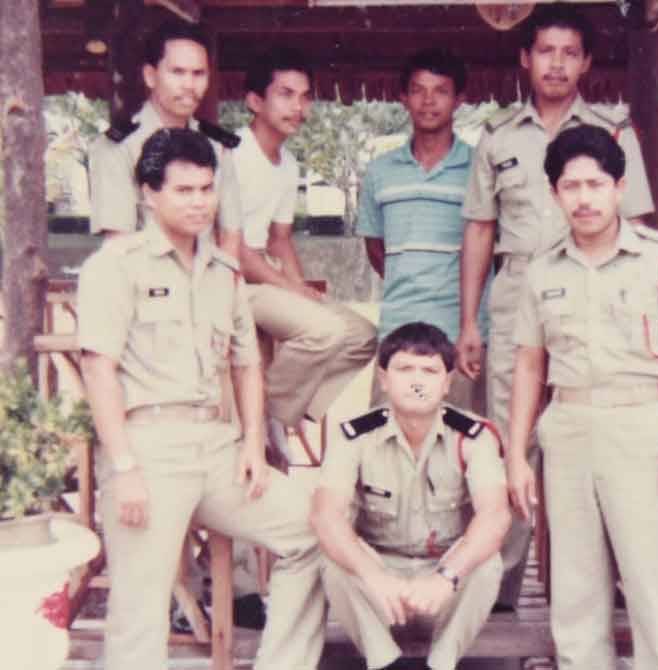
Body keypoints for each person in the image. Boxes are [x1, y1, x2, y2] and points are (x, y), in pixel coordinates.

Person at [77, 128, 325, 670]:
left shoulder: (223, 270)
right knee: (138, 614)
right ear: (149, 194)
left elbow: (245, 363)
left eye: (207, 190)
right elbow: (99, 371)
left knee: (315, 529)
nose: (199, 203)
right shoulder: (116, 266)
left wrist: (254, 447)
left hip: (217, 448)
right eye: (184, 191)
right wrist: (123, 469)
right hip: (147, 449)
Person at [457, 3, 654, 610]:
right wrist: (469, 321)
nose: (558, 64)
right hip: (517, 301)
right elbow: (480, 232)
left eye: (571, 53)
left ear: (586, 63)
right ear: (525, 58)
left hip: (595, 303)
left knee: (597, 439)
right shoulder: (496, 136)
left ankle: (606, 585)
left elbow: (639, 226)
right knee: (510, 444)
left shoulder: (613, 132)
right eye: (546, 51)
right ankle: (501, 592)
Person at [507, 124, 658, 669]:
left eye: (596, 184)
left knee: (652, 583)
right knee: (574, 589)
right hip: (568, 427)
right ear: (555, 195)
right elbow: (529, 363)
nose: (584, 198)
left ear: (619, 188)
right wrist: (515, 455)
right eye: (571, 187)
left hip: (641, 427)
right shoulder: (542, 268)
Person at [310, 322, 511, 670]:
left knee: (486, 561)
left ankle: (442, 663)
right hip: (380, 586)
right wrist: (374, 577)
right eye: (404, 369)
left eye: (430, 371)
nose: (417, 381)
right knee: (331, 556)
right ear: (384, 379)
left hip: (445, 583)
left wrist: (446, 578)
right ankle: (385, 663)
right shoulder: (354, 437)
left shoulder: (474, 437)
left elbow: (495, 515)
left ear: (447, 383)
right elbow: (325, 516)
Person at [232, 47, 377, 460]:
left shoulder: (288, 163)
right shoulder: (234, 156)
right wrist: (292, 289)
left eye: (304, 96)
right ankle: (262, 418)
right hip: (236, 279)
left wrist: (298, 286)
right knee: (324, 331)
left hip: (268, 272)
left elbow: (280, 239)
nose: (298, 106)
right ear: (255, 101)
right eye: (285, 94)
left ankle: (280, 412)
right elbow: (240, 250)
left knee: (363, 336)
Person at [358, 48, 487, 413]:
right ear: (403, 97)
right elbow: (375, 247)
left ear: (459, 99)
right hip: (397, 327)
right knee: (384, 441)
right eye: (418, 90)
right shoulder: (381, 171)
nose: (428, 101)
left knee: (458, 444)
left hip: (460, 333)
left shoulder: (479, 167)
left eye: (441, 90)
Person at [88, 20, 242, 258]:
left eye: (198, 73)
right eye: (177, 72)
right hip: (148, 286)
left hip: (210, 282)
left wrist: (223, 288)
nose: (189, 85)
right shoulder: (117, 148)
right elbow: (119, 246)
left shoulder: (217, 146)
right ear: (150, 76)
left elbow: (230, 235)